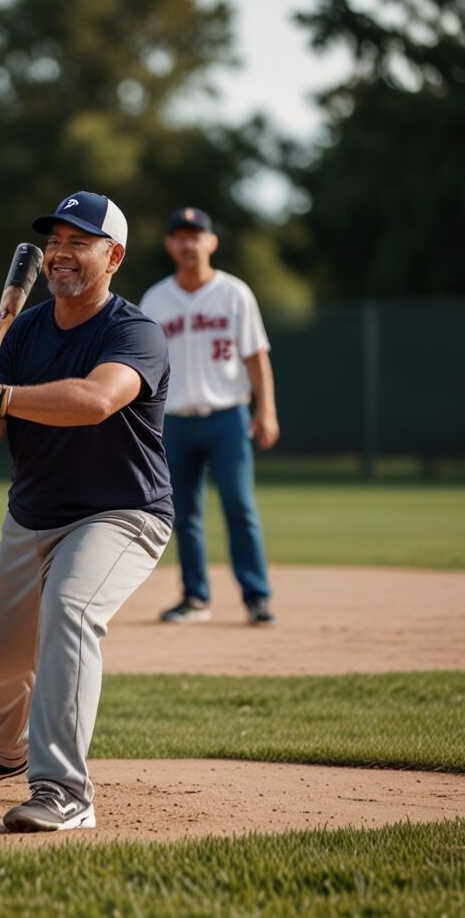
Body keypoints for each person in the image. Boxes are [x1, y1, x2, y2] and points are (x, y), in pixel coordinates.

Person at [0, 191, 173, 833]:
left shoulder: (135, 332)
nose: (61, 253)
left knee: (70, 610)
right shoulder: (26, 330)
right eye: (56, 242)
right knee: (3, 659)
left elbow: (95, 400)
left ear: (114, 256)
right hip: (32, 514)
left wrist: (0, 396)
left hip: (122, 514)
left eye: (79, 242)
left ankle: (65, 790)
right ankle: (5, 752)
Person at [139, 207, 279, 626]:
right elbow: (143, 365)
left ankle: (257, 597)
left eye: (196, 235)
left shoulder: (234, 293)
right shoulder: (156, 299)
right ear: (169, 245)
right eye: (180, 236)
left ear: (211, 242)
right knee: (184, 513)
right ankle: (195, 597)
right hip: (175, 420)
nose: (188, 243)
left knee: (240, 507)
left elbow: (256, 357)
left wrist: (266, 410)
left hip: (227, 416)